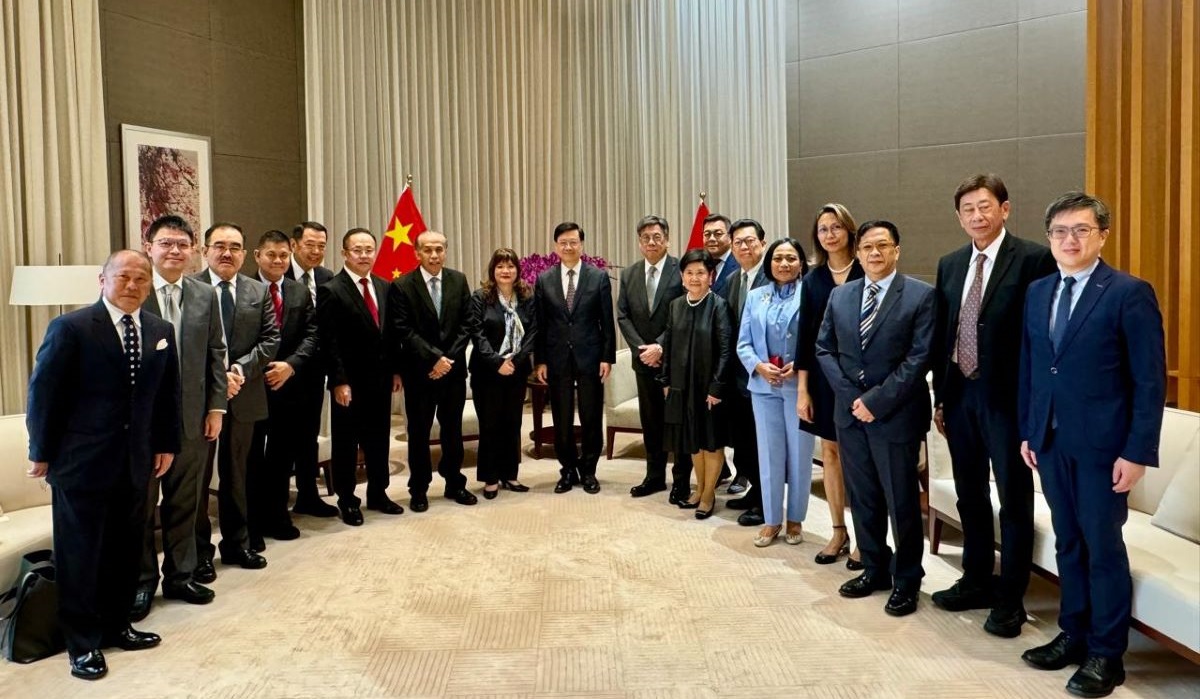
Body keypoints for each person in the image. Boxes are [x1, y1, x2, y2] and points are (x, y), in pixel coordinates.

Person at [1018, 192, 1165, 698]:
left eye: (1081, 230)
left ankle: (1108, 654)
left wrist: (1138, 451)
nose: (1069, 240)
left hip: (1106, 450)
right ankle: (1073, 633)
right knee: (1067, 541)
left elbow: (1149, 382)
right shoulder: (1038, 292)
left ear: (1102, 235)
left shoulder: (1128, 292)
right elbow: (1034, 369)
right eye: (1059, 231)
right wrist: (1029, 431)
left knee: (1103, 548)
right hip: (1052, 442)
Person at [26, 250, 182, 680]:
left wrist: (166, 443)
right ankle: (82, 643)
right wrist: (40, 451)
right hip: (81, 463)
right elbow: (44, 394)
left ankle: (118, 626)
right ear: (103, 279)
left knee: (127, 549)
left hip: (136, 461)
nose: (132, 286)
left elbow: (167, 394)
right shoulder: (71, 327)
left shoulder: (159, 329)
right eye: (123, 277)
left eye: (141, 279)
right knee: (80, 556)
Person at [929, 174, 1057, 637]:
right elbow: (946, 332)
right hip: (960, 395)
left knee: (1014, 500)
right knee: (970, 494)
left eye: (985, 207)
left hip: (1008, 400)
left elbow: (1040, 337)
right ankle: (977, 578)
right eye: (968, 209)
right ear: (960, 217)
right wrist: (941, 397)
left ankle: (1011, 598)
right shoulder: (950, 263)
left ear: (1004, 209)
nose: (977, 216)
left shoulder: (1034, 259)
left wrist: (1035, 407)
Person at [817, 220, 935, 618]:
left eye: (882, 245)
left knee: (901, 502)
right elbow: (823, 350)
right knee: (863, 498)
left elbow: (919, 359)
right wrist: (854, 399)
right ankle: (874, 568)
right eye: (867, 247)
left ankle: (907, 580)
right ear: (858, 251)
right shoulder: (841, 296)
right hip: (850, 417)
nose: (874, 253)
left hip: (895, 417)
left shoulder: (921, 296)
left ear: (897, 250)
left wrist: (877, 401)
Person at [133, 216, 226, 619]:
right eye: (166, 243)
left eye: (182, 244)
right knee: (141, 505)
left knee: (187, 501)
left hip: (192, 417)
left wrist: (216, 407)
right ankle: (140, 582)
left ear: (193, 251)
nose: (174, 251)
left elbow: (216, 354)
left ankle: (180, 575)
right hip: (141, 424)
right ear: (149, 246)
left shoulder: (205, 294)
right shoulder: (132, 288)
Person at [193, 223, 280, 571]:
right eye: (219, 246)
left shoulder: (257, 291)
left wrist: (238, 371)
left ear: (245, 254)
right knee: (197, 480)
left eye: (235, 247)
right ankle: (198, 553)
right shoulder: (190, 288)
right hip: (200, 401)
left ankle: (236, 544)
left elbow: (271, 339)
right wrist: (217, 378)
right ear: (205, 251)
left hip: (244, 394)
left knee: (238, 475)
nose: (227, 253)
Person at [316, 228, 404, 525]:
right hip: (349, 385)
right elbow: (330, 341)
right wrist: (339, 381)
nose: (364, 255)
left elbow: (390, 336)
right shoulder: (331, 289)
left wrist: (395, 370)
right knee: (346, 443)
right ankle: (348, 500)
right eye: (358, 250)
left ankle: (378, 494)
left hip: (380, 381)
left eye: (369, 249)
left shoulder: (384, 286)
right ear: (344, 253)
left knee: (379, 440)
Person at [795, 203, 864, 569]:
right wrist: (803, 390)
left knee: (859, 458)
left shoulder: (866, 268)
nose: (830, 234)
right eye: (823, 229)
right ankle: (838, 531)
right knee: (832, 454)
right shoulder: (813, 279)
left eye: (837, 226)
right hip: (822, 379)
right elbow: (805, 338)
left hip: (860, 379)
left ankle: (865, 535)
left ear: (849, 230)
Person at [389, 230, 476, 510]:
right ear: (417, 253)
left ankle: (454, 483)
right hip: (420, 374)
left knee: (452, 431)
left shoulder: (458, 280)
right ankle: (419, 489)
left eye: (439, 249)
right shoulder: (402, 285)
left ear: (446, 251)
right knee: (419, 434)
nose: (434, 255)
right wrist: (433, 359)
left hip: (452, 372)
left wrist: (447, 359)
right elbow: (403, 329)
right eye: (428, 250)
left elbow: (467, 323)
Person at [736, 237, 814, 547]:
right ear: (769, 263)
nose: (784, 264)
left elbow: (821, 336)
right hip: (764, 385)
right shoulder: (755, 296)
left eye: (791, 258)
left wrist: (800, 364)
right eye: (778, 258)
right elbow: (743, 342)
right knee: (769, 454)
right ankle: (771, 520)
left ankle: (795, 518)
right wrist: (758, 366)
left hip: (800, 387)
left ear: (801, 264)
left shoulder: (812, 293)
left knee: (799, 454)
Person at [247, 230, 318, 549]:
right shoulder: (243, 288)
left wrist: (290, 365)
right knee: (250, 457)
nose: (277, 261)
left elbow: (312, 336)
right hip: (250, 386)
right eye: (270, 255)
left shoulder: (298, 291)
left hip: (289, 386)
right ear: (257, 256)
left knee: (280, 455)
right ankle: (251, 522)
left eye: (283, 255)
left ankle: (278, 515)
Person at [533, 222, 616, 494]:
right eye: (563, 242)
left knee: (592, 416)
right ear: (556, 246)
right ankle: (567, 469)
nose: (568, 247)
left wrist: (607, 357)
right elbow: (540, 324)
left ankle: (589, 470)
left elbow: (606, 320)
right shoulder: (544, 279)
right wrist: (541, 361)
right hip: (557, 359)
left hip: (591, 357)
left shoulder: (598, 277)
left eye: (573, 242)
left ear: (581, 244)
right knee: (562, 416)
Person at [616, 215, 687, 503]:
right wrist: (642, 349)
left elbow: (684, 311)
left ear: (667, 239)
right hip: (643, 361)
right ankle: (654, 476)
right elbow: (622, 315)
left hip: (672, 361)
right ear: (639, 242)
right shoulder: (630, 274)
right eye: (646, 237)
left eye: (657, 236)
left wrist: (660, 346)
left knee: (677, 422)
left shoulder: (681, 269)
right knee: (651, 421)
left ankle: (681, 481)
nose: (652, 242)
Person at [657, 249, 732, 518]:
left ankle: (709, 494)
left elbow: (725, 350)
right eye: (690, 273)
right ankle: (699, 489)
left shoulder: (719, 305)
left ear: (710, 276)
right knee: (692, 440)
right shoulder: (676, 305)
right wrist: (665, 381)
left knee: (711, 441)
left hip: (708, 387)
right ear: (682, 276)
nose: (695, 277)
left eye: (701, 272)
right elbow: (668, 344)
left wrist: (716, 387)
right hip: (681, 385)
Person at [466, 248, 538, 498]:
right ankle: (490, 478)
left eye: (510, 266)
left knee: (512, 423)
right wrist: (497, 361)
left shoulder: (527, 297)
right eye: (500, 267)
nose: (505, 271)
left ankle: (510, 474)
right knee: (490, 425)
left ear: (517, 270)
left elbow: (533, 333)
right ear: (492, 271)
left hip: (516, 372)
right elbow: (477, 333)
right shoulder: (480, 297)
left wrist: (515, 361)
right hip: (487, 372)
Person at [284, 221, 339, 518]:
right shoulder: (280, 273)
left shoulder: (326, 277)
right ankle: (277, 502)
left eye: (321, 246)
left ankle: (308, 495)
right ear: (294, 245)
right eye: (310, 245)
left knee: (308, 435)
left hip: (316, 372)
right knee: (282, 440)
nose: (316, 251)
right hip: (285, 370)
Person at [720, 218, 770, 525]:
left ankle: (767, 503)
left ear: (762, 244)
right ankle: (754, 491)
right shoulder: (733, 280)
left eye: (750, 241)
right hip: (738, 378)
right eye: (738, 242)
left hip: (764, 376)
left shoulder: (773, 277)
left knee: (764, 443)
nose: (744, 247)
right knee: (745, 441)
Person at [702, 213, 738, 295]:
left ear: (730, 237)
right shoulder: (700, 264)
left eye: (718, 234)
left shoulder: (740, 264)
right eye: (707, 234)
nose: (711, 239)